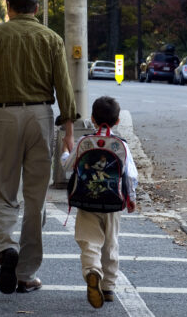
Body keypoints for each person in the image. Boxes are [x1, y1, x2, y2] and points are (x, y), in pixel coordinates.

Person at [0, 0, 77, 294]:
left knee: (2, 188)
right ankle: (26, 274)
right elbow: (64, 88)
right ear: (36, 9)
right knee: (36, 198)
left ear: (8, 7)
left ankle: (3, 248)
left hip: (4, 117)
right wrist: (68, 129)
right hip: (41, 117)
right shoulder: (51, 38)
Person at [63, 96, 138, 308]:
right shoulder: (121, 145)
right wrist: (131, 198)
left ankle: (92, 271)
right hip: (113, 203)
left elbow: (67, 166)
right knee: (111, 243)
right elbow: (131, 175)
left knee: (89, 241)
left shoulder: (84, 142)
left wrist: (65, 150)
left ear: (92, 119)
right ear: (117, 122)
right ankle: (108, 287)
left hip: (87, 201)